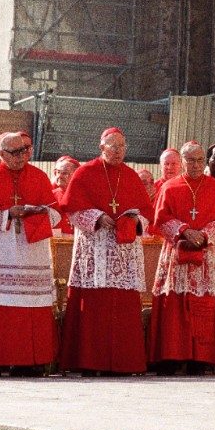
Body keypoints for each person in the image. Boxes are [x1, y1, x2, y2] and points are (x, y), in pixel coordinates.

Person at [0, 132, 61, 377]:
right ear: (0, 154)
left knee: (30, 306)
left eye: (24, 151)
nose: (21, 156)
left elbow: (56, 213)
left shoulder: (38, 176)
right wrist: (8, 213)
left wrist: (39, 213)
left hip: (31, 251)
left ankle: (28, 362)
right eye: (14, 152)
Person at [59, 128, 154, 376]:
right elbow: (72, 210)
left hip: (124, 252)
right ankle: (91, 362)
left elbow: (146, 212)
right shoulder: (85, 173)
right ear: (102, 148)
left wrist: (134, 220)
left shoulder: (130, 176)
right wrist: (98, 217)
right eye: (113, 147)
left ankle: (124, 363)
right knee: (94, 306)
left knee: (123, 307)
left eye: (122, 147)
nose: (119, 151)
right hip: (94, 249)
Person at [149, 141, 215, 375]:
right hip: (177, 255)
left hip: (208, 254)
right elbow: (160, 219)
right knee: (175, 305)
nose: (196, 165)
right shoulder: (170, 187)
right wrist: (185, 230)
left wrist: (205, 235)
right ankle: (172, 356)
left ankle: (201, 358)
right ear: (182, 161)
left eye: (199, 160)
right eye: (190, 160)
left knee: (204, 304)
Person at [51, 156, 80, 236]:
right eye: (57, 172)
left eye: (64, 173)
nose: (59, 176)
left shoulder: (84, 195)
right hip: (56, 238)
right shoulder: (50, 195)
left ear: (75, 175)